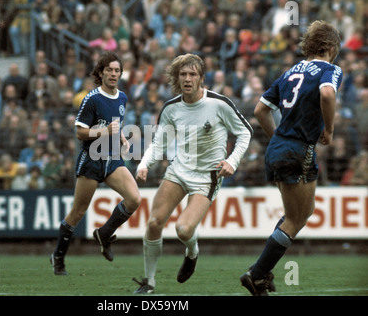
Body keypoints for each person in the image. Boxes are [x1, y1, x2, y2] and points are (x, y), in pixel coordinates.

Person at [133, 53, 253, 293]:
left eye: (192, 74)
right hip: (178, 170)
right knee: (155, 222)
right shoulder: (171, 108)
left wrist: (232, 161)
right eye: (183, 74)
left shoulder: (218, 103)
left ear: (201, 79)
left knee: (183, 230)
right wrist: (144, 163)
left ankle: (192, 251)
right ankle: (148, 282)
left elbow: (245, 132)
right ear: (178, 79)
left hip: (207, 177)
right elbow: (160, 143)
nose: (187, 79)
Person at [240, 20, 343, 296]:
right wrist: (330, 129)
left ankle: (262, 273)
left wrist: (277, 138)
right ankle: (257, 273)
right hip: (300, 149)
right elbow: (327, 93)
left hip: (276, 149)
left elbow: (260, 110)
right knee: (299, 218)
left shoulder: (288, 72)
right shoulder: (330, 69)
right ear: (331, 47)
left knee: (294, 215)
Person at [50, 52, 141, 275]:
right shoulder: (92, 98)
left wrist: (120, 138)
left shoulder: (122, 97)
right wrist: (104, 131)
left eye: (117, 70)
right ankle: (58, 256)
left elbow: (116, 124)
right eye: (109, 70)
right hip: (91, 160)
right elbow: (80, 133)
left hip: (112, 159)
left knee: (134, 199)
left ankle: (104, 233)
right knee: (78, 211)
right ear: (100, 73)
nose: (113, 74)